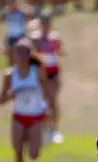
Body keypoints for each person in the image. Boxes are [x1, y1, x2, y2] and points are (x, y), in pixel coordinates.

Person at [0, 38, 54, 162]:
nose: (22, 55)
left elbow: (48, 93)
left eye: (25, 52)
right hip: (19, 117)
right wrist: (10, 94)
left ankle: (31, 137)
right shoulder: (9, 75)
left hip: (36, 116)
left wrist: (48, 110)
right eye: (19, 52)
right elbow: (0, 100)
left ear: (30, 54)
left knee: (34, 154)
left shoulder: (37, 72)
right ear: (13, 54)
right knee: (17, 151)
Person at [31, 14, 63, 144]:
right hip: (40, 73)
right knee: (41, 102)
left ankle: (54, 129)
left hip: (53, 72)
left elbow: (59, 53)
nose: (45, 25)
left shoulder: (55, 38)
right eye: (43, 22)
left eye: (47, 22)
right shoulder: (35, 38)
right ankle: (42, 129)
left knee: (53, 101)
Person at [0, 0, 30, 66]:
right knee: (10, 58)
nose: (11, 3)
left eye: (13, 2)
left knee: (21, 57)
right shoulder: (6, 12)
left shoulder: (21, 12)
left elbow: (28, 18)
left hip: (20, 37)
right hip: (10, 37)